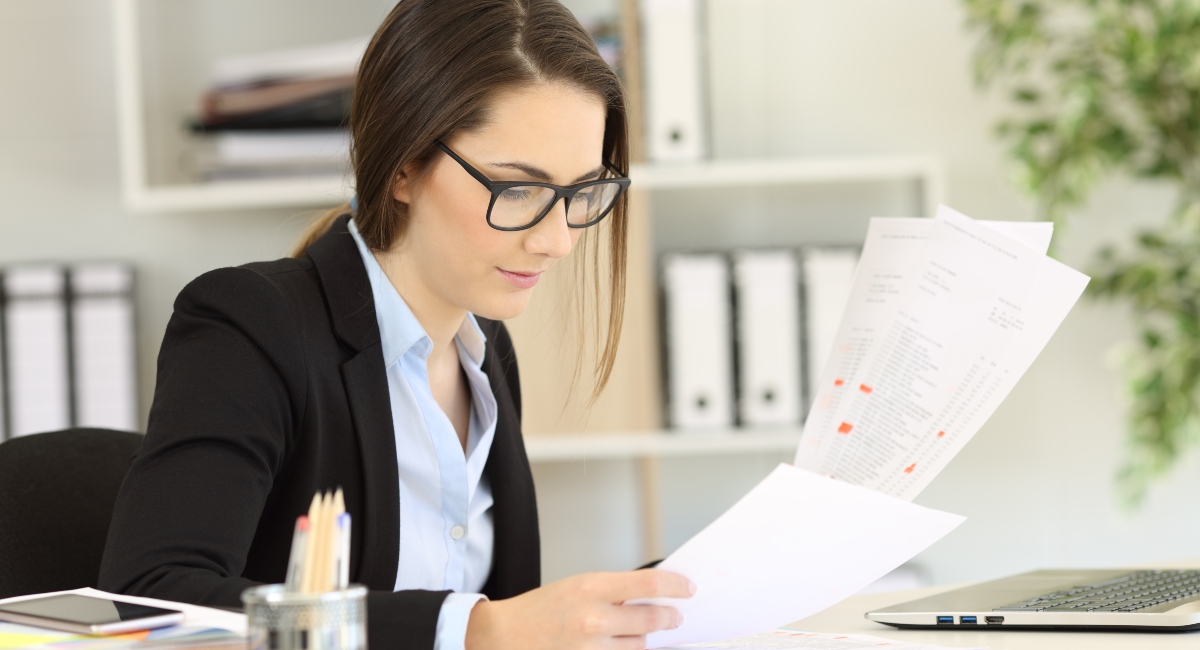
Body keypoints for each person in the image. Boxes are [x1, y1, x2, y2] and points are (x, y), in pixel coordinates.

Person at [97, 1, 694, 649]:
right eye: (518, 190)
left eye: (582, 193)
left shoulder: (485, 348)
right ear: (403, 166)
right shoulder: (250, 324)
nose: (558, 241)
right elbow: (151, 596)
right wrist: (476, 628)